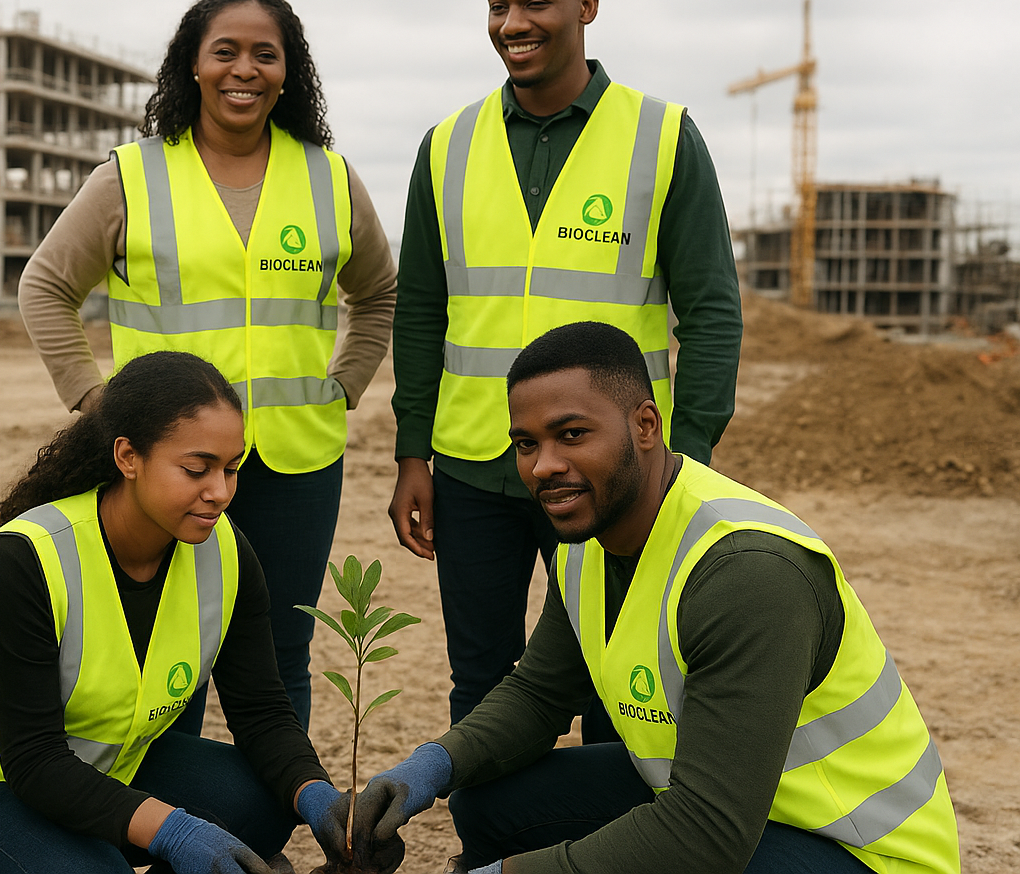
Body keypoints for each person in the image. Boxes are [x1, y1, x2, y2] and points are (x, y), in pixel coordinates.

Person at [354, 321, 960, 873]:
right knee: (491, 805)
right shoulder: (588, 535)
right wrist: (427, 769)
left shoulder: (746, 571)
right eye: (528, 443)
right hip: (735, 805)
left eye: (571, 434)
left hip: (856, 849)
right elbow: (539, 695)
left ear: (646, 425)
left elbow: (706, 836)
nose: (543, 466)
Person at [387, 0, 743, 740]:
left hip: (613, 469)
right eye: (498, 4)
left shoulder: (661, 140)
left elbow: (713, 311)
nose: (513, 23)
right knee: (481, 682)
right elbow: (420, 311)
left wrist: (685, 451)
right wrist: (413, 451)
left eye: (535, 2)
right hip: (474, 468)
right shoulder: (444, 148)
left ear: (585, 6)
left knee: (620, 684)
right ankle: (491, 855)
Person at [19, 0, 396, 731]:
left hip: (297, 464)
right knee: (169, 658)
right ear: (193, 64)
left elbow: (380, 292)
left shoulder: (329, 179)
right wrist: (100, 407)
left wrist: (344, 387)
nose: (244, 69)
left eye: (266, 54)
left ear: (289, 72)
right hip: (167, 466)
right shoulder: (130, 177)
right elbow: (46, 286)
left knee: (282, 654)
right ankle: (176, 839)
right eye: (225, 51)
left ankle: (276, 826)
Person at [0, 350, 369, 874]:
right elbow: (35, 763)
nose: (220, 493)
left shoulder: (227, 553)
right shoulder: (26, 558)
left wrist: (320, 800)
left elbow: (262, 711)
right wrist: (175, 830)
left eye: (232, 469)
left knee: (264, 806)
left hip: (109, 763)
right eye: (196, 469)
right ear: (128, 456)